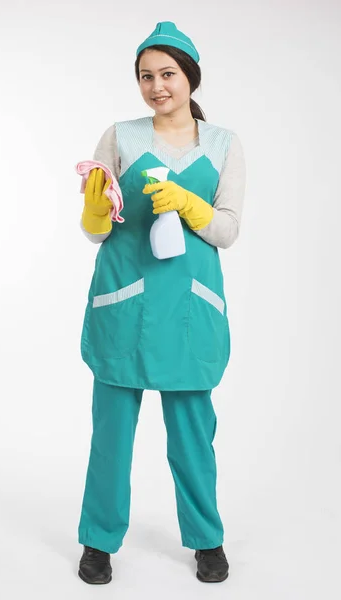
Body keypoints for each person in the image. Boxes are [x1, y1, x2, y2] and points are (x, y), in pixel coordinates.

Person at [76, 21, 246, 585]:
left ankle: (207, 540)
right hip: (126, 303)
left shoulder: (223, 144)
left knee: (194, 433)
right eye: (146, 76)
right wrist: (96, 209)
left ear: (190, 77)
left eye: (167, 74)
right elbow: (97, 231)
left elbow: (226, 230)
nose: (156, 86)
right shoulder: (120, 137)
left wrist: (189, 206)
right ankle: (98, 542)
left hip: (190, 311)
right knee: (112, 435)